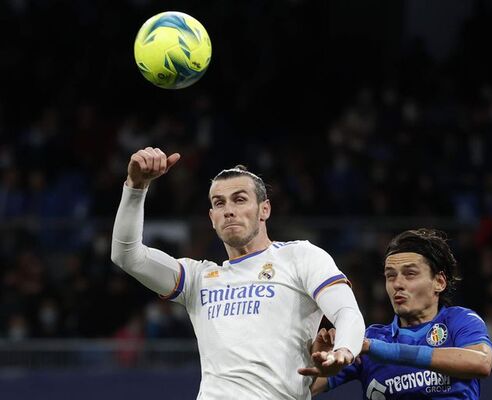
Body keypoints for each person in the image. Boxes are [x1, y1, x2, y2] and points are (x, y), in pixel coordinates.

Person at [110, 147, 365, 400]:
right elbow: (127, 255)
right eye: (219, 203)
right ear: (212, 218)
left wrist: (343, 351)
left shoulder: (299, 256)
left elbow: (346, 312)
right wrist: (136, 187)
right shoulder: (198, 279)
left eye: (240, 199)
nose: (228, 210)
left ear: (264, 209)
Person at [300, 228, 492, 399]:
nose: (397, 284)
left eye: (410, 274)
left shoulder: (459, 320)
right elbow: (303, 391)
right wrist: (318, 361)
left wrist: (382, 350)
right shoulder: (368, 339)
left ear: (439, 282)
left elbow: (481, 362)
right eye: (390, 276)